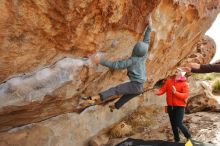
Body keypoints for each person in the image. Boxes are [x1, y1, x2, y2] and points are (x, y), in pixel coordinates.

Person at [81, 23, 152, 112]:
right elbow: (147, 42)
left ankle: (94, 98)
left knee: (116, 90)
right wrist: (149, 27)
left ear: (134, 49)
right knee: (124, 98)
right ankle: (114, 107)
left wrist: (100, 61)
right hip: (140, 88)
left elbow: (116, 65)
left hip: (135, 85)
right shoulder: (143, 57)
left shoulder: (131, 61)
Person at [154, 68, 192, 142]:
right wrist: (158, 92)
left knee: (178, 123)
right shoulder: (169, 81)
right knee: (173, 124)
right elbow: (163, 90)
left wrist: (175, 93)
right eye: (177, 69)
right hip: (170, 106)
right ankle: (177, 140)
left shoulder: (184, 84)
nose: (176, 70)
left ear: (182, 73)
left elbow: (185, 95)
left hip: (180, 107)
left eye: (179, 70)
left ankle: (189, 137)